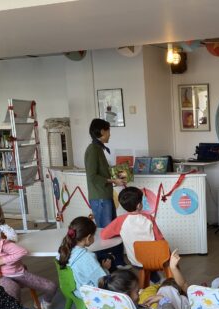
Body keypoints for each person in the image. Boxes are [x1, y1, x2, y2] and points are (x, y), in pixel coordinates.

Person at [84, 118, 126, 267]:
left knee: (113, 230)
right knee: (106, 232)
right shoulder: (93, 149)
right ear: (102, 131)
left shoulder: (98, 148)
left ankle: (117, 262)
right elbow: (92, 176)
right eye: (108, 131)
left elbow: (100, 174)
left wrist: (115, 177)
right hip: (100, 198)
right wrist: (113, 180)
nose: (110, 134)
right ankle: (106, 264)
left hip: (105, 196)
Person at [101, 186, 164, 268]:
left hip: (135, 261)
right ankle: (155, 274)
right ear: (139, 205)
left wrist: (120, 233)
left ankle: (150, 274)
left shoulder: (120, 221)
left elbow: (104, 235)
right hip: (154, 260)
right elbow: (160, 239)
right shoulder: (149, 218)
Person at [0, 235, 57, 309]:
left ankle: (45, 303)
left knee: (51, 287)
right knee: (13, 290)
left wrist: (2, 261)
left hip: (20, 274)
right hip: (2, 277)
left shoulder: (2, 244)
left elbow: (22, 251)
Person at [57, 216, 109, 297]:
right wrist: (105, 269)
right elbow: (101, 281)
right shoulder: (88, 257)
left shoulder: (63, 251)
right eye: (93, 235)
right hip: (87, 295)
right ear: (88, 238)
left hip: (73, 289)